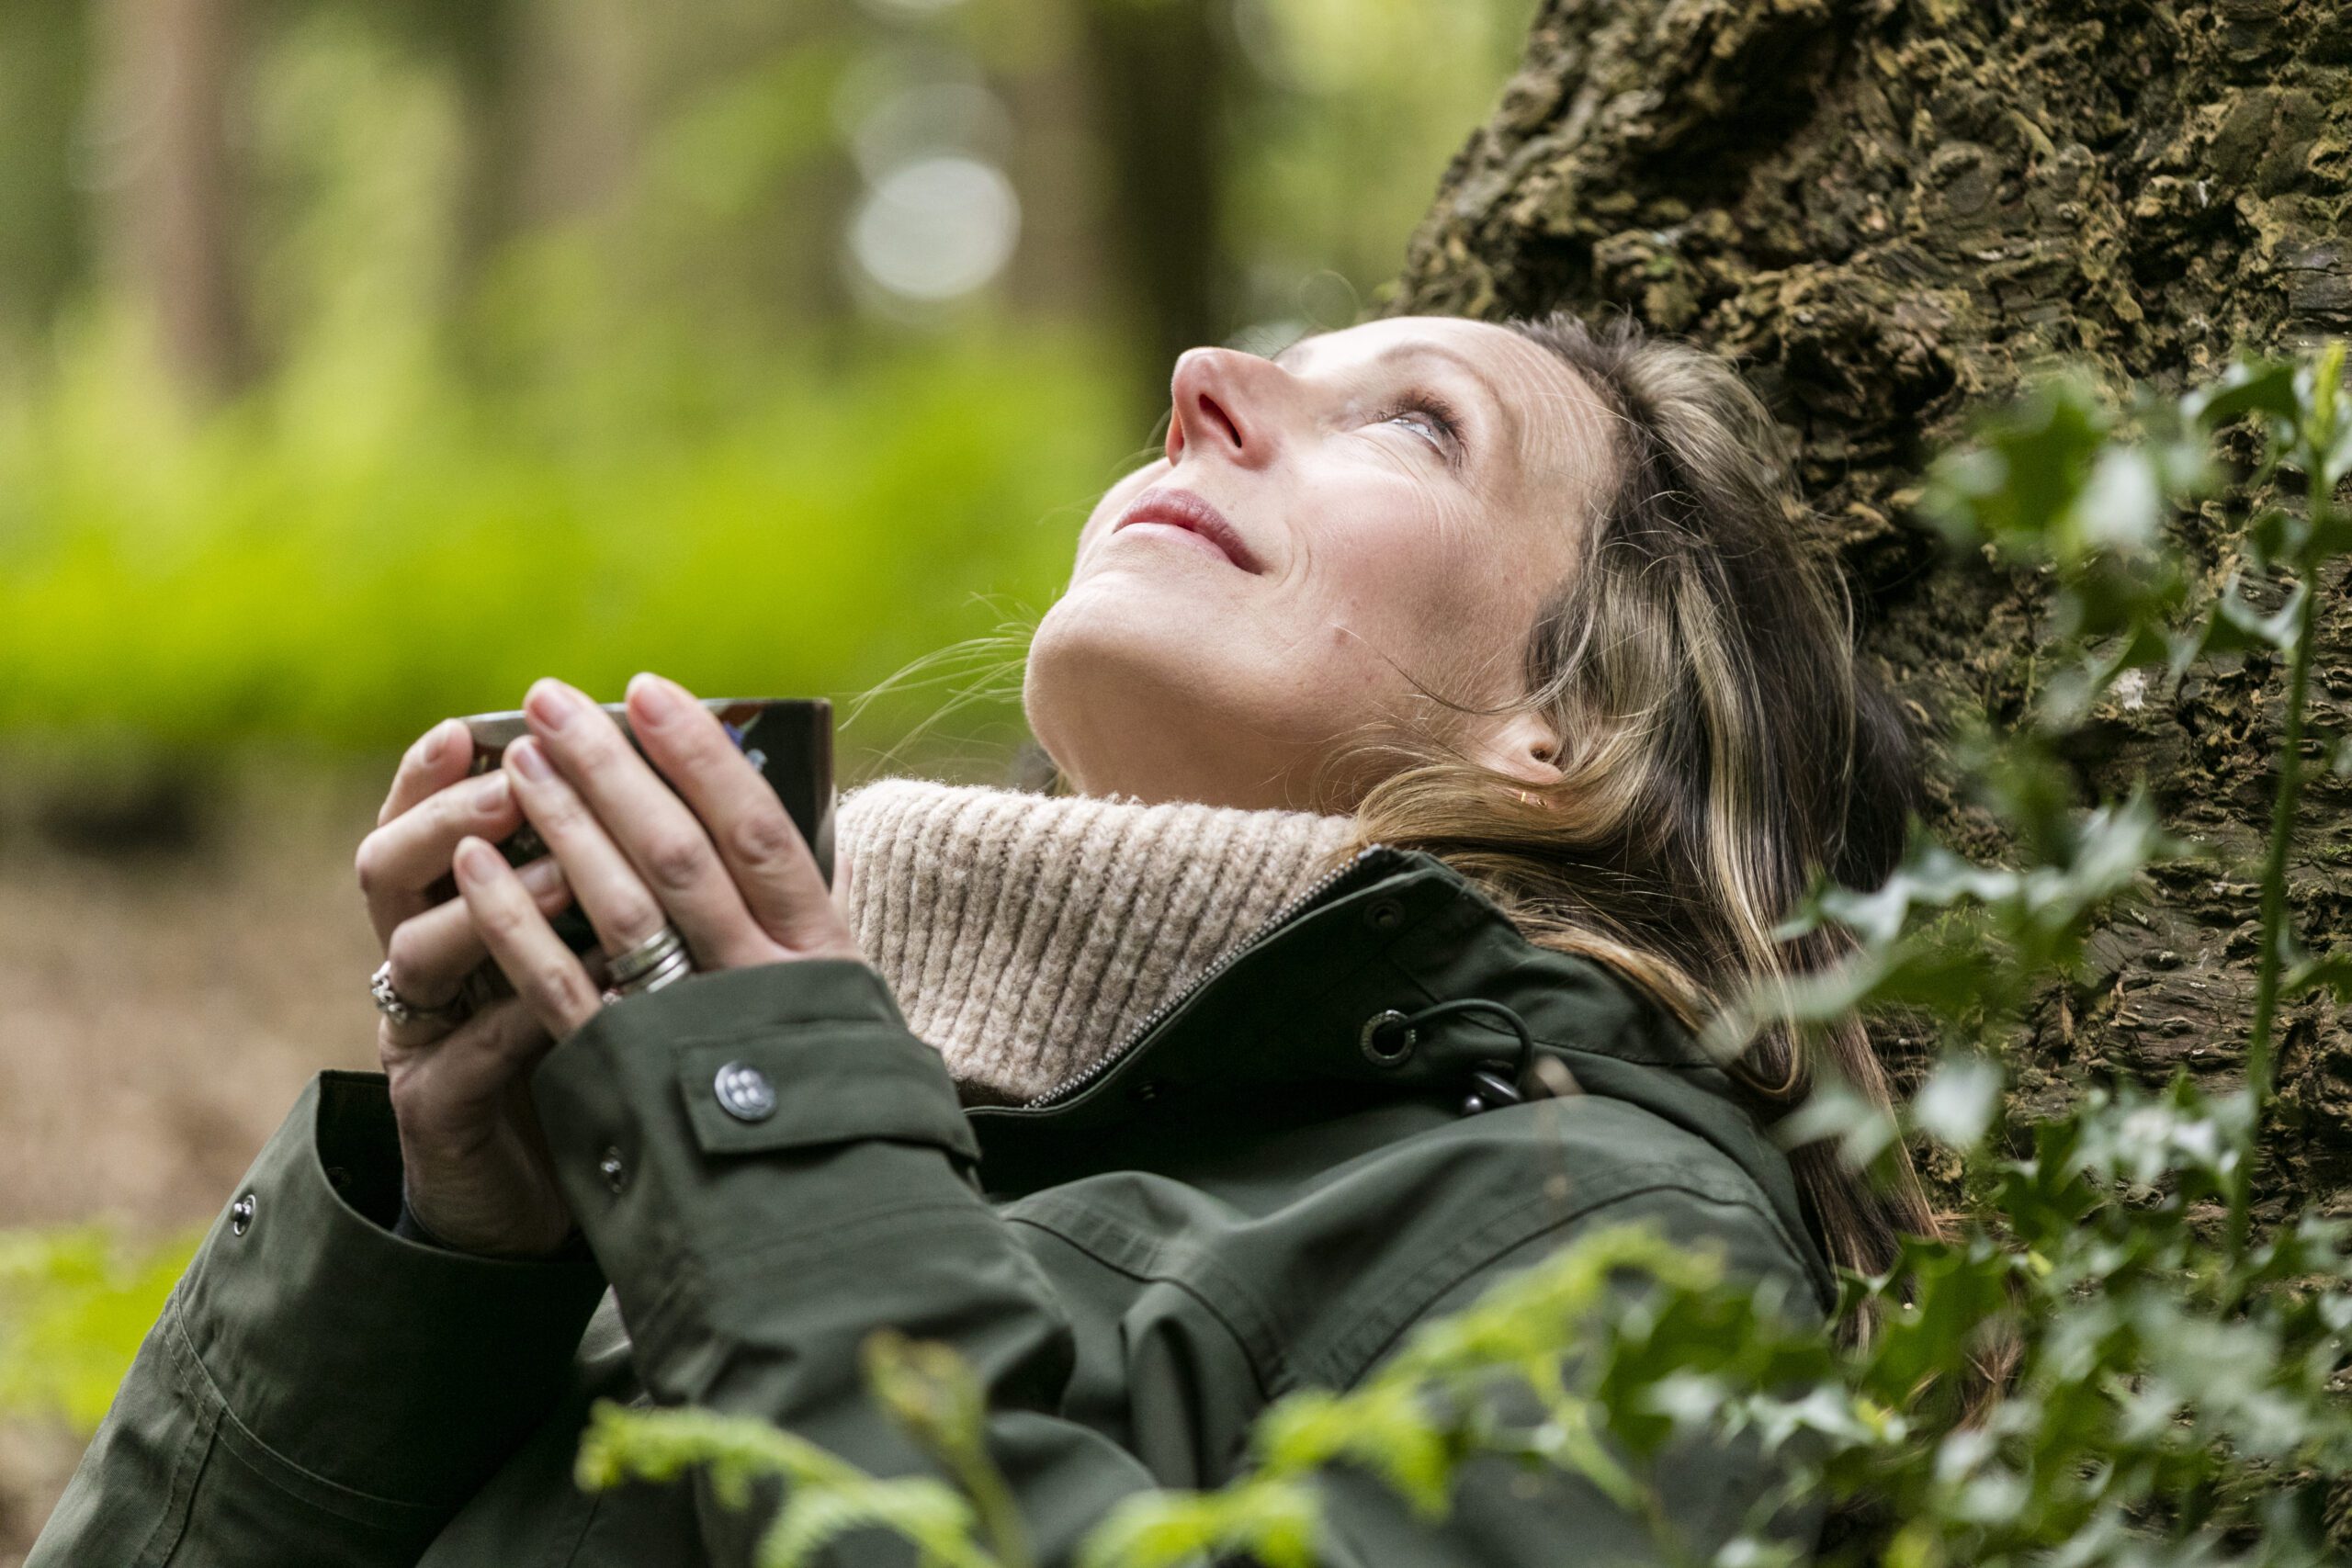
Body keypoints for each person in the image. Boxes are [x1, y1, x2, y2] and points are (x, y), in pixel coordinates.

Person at [28, 310, 1935, 1566]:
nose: (1200, 378)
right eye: (1252, 366)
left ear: (1566, 726)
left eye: (1409, 423)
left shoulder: (1608, 1235)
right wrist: (448, 1253)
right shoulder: (731, 1114)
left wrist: (780, 1132)